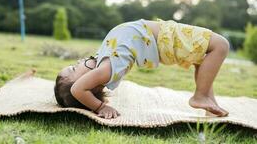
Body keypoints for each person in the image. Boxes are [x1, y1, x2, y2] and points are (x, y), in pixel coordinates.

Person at [54, 18, 230, 119]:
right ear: (90, 85)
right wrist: (100, 107)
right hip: (165, 38)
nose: (77, 62)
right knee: (220, 45)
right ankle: (200, 96)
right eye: (73, 69)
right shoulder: (105, 70)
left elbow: (78, 89)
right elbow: (78, 90)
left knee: (203, 58)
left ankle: (208, 102)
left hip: (162, 38)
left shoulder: (103, 61)